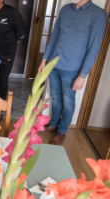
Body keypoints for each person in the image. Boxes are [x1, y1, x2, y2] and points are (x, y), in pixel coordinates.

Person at [39, 0, 107, 145]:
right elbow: (55, 34)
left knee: (68, 101)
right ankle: (54, 124)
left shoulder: (98, 14)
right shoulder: (66, 9)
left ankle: (62, 131)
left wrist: (82, 75)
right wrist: (44, 60)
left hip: (72, 68)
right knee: (55, 97)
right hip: (53, 63)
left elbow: (94, 47)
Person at [0, 0, 26, 106]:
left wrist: (8, 47)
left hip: (5, 56)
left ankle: (0, 107)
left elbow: (20, 35)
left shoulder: (12, 12)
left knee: (1, 82)